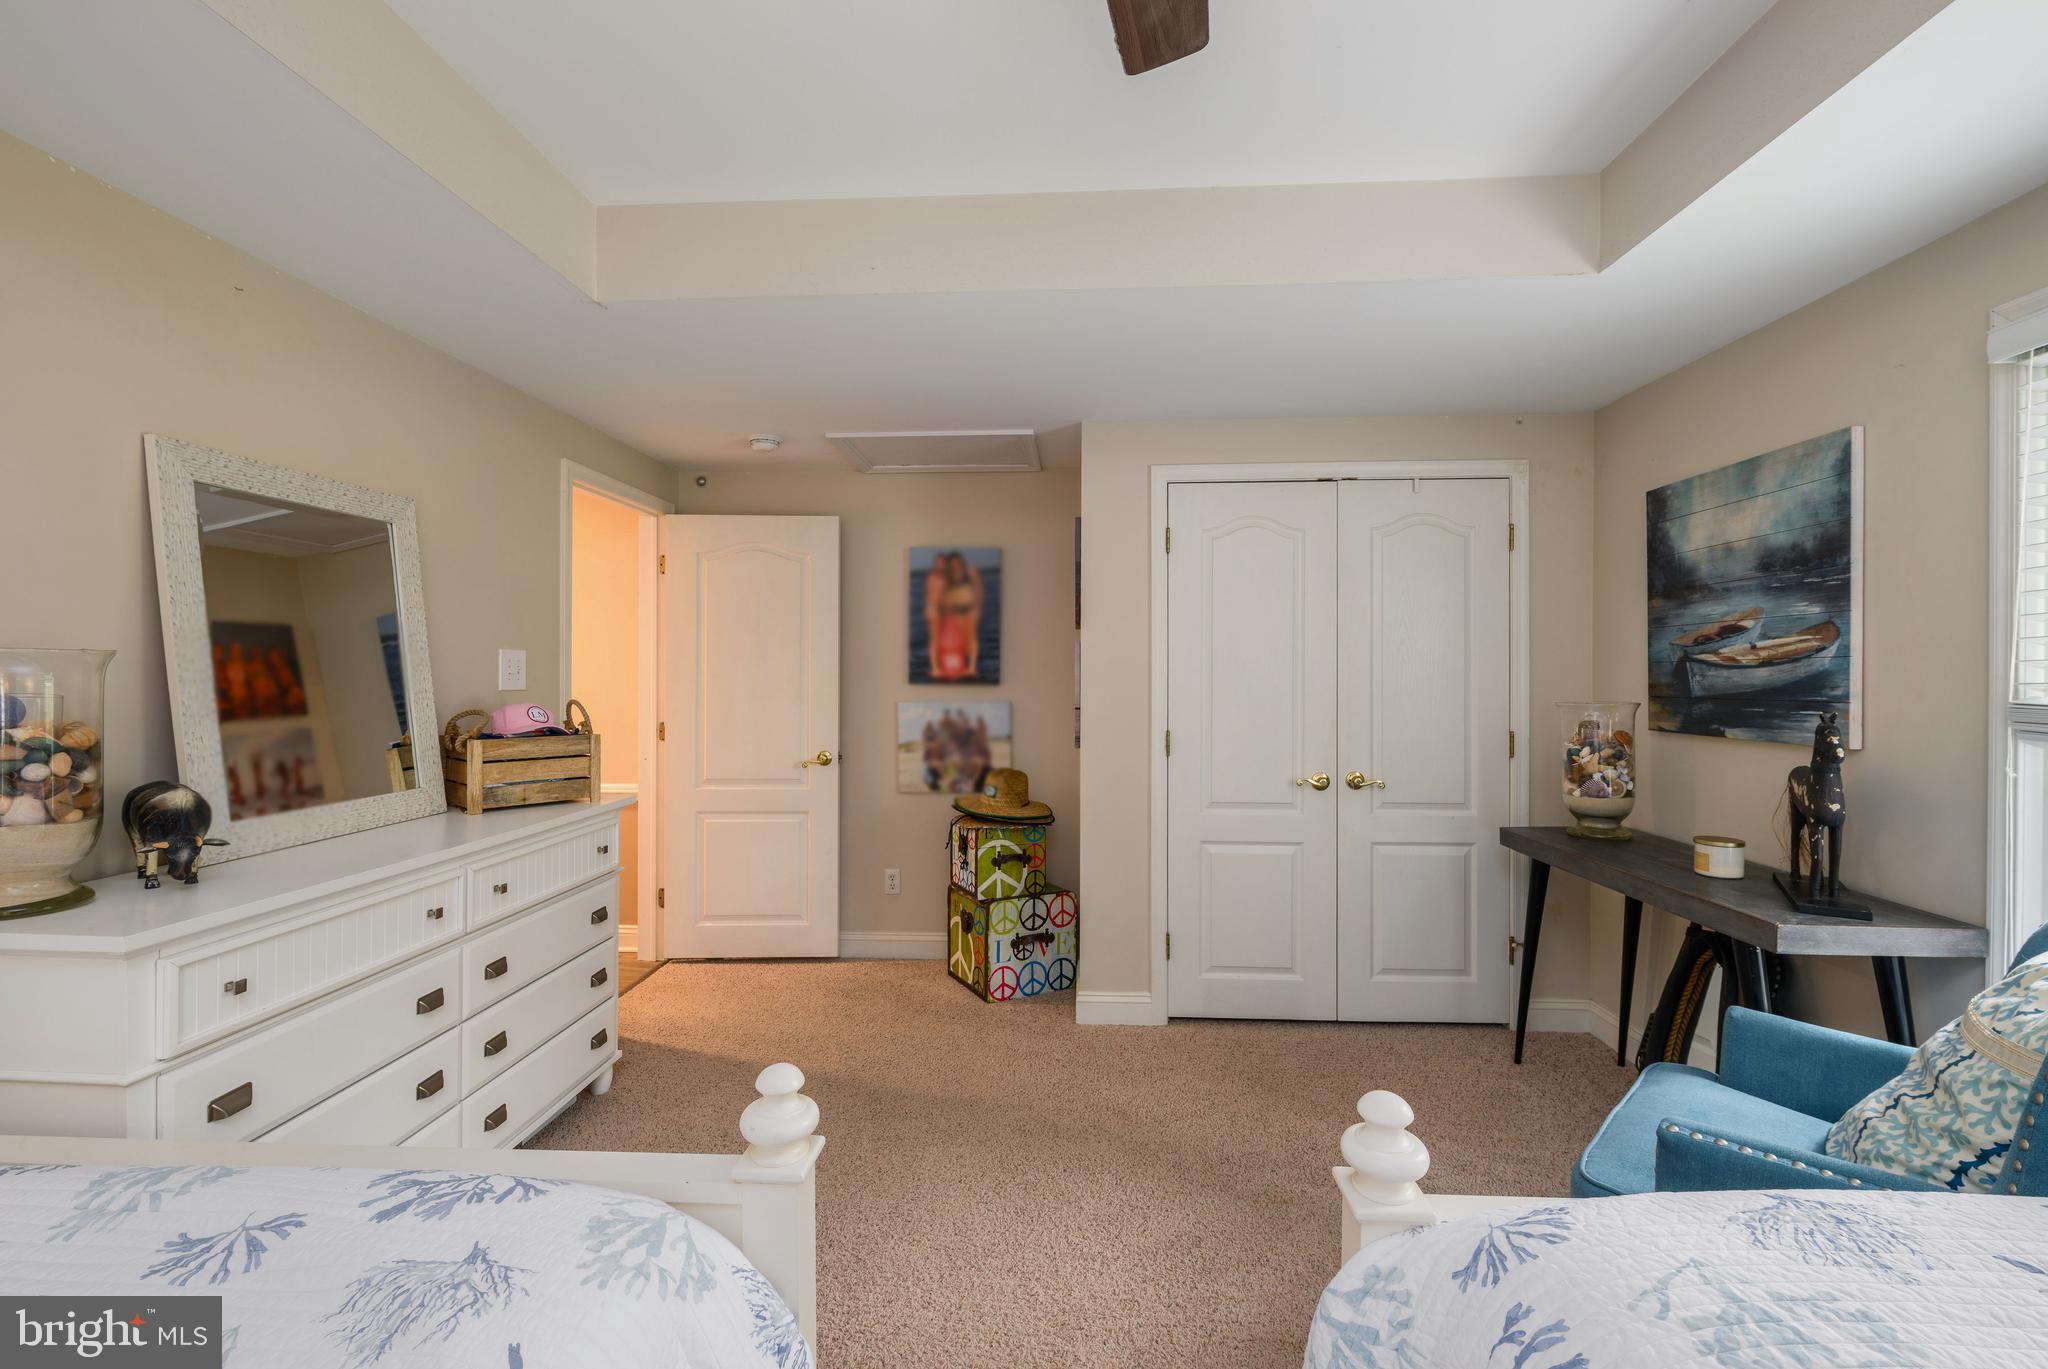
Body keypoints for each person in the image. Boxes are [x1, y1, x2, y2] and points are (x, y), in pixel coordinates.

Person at [924, 551, 984, 681]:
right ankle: (936, 669)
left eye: (957, 562)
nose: (955, 565)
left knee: (971, 638)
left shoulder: (971, 571)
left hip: (967, 610)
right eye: (952, 563)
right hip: (948, 610)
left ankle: (972, 668)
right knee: (936, 639)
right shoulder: (939, 576)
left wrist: (977, 607)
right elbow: (937, 595)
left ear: (961, 561)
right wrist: (933, 609)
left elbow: (978, 590)